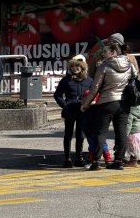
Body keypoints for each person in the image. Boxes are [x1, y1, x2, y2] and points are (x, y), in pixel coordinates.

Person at [80, 34, 138, 171]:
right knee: (121, 132)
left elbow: (95, 88)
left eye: (105, 51)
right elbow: (135, 80)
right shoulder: (129, 64)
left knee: (101, 132)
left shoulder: (105, 66)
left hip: (107, 102)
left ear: (112, 52)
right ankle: (118, 161)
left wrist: (85, 104)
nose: (103, 53)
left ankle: (96, 163)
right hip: (124, 103)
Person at [54, 55, 91, 168]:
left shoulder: (89, 80)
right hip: (69, 110)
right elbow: (57, 95)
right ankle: (67, 158)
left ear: (82, 67)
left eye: (77, 66)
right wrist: (65, 105)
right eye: (72, 66)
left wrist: (88, 105)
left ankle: (79, 158)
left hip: (82, 110)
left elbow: (93, 94)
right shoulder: (66, 80)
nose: (74, 68)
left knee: (80, 135)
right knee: (68, 134)